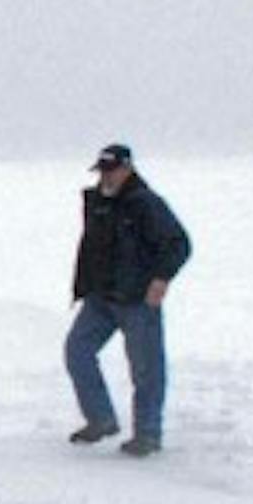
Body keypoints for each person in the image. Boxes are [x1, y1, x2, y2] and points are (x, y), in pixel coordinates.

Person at [66, 143, 191, 456]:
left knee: (146, 370)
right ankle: (101, 419)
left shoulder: (145, 203)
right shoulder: (97, 203)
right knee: (77, 350)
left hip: (137, 301)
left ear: (127, 169)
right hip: (101, 299)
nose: (106, 178)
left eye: (112, 171)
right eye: (102, 171)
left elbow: (178, 243)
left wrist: (161, 279)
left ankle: (147, 434)